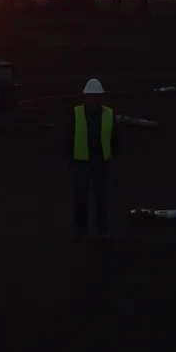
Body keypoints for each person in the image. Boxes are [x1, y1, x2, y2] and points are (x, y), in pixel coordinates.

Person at [65, 78, 116, 242]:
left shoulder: (109, 114)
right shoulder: (75, 113)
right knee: (80, 198)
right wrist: (68, 158)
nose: (94, 100)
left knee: (102, 198)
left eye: (96, 97)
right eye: (91, 96)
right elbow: (67, 137)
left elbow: (115, 137)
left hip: (102, 162)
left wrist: (113, 157)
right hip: (81, 162)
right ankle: (81, 230)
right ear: (85, 97)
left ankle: (103, 230)